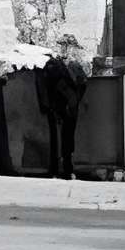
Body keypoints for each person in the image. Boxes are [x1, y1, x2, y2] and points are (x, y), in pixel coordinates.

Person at [33, 37, 90, 179]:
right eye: (63, 46)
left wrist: (74, 101)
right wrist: (48, 105)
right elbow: (45, 86)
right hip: (60, 106)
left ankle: (64, 168)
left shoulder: (71, 65)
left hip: (66, 107)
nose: (65, 49)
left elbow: (82, 84)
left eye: (67, 46)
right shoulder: (53, 65)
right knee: (60, 138)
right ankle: (60, 169)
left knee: (65, 138)